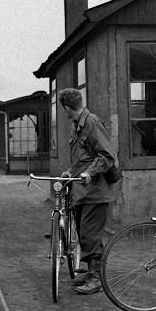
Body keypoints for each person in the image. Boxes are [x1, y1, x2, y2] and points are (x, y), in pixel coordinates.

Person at [59, 88, 117, 295]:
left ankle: (96, 278)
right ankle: (91, 272)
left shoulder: (91, 123)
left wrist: (90, 173)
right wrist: (70, 172)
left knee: (90, 235)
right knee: (85, 235)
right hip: (83, 193)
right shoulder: (77, 126)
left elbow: (107, 155)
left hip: (95, 192)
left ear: (66, 108)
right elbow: (82, 159)